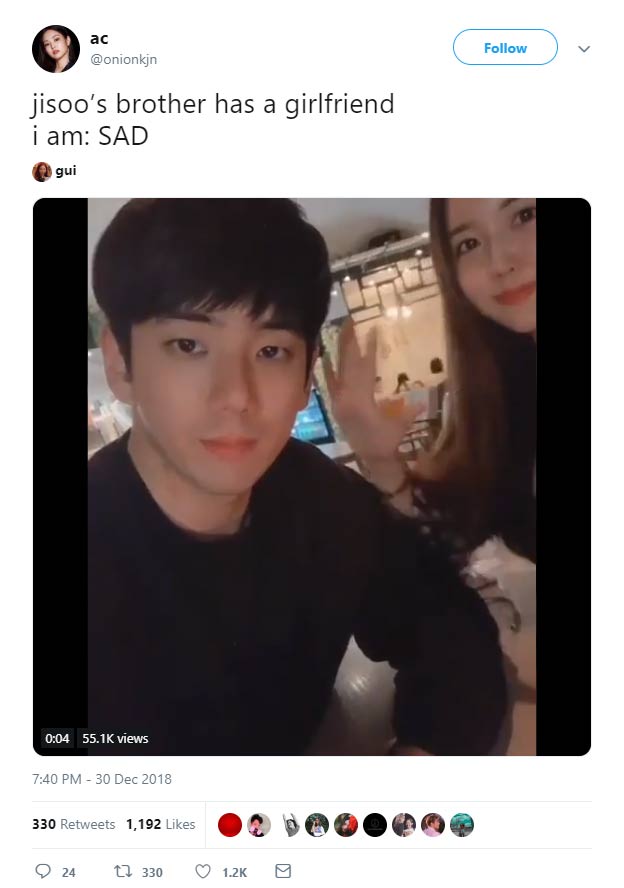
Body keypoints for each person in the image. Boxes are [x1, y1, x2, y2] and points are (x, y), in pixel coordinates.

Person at [88, 198, 507, 756]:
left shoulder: (318, 497)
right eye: (188, 345)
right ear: (121, 363)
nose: (236, 396)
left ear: (308, 375)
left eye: (270, 350)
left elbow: (448, 630)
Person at [325, 198, 536, 564]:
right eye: (468, 244)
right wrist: (381, 460)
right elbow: (451, 537)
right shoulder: (504, 401)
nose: (500, 262)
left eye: (525, 215)